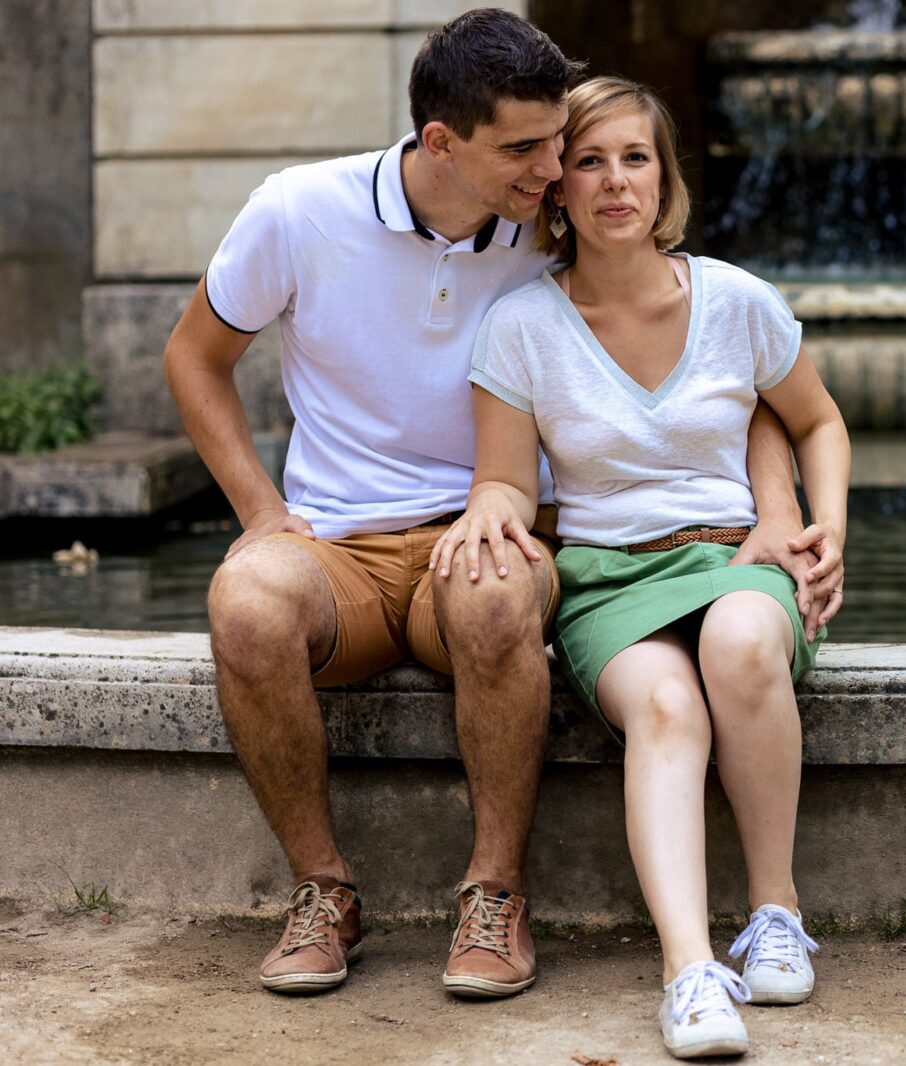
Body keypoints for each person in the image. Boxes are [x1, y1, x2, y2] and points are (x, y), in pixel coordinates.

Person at [162, 10, 836, 999]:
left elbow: (736, 370)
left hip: (489, 530)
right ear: (442, 143)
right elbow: (194, 355)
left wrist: (774, 500)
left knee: (491, 591)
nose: (556, 167)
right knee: (246, 599)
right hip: (337, 547)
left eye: (559, 141)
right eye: (527, 148)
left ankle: (494, 891)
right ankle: (320, 889)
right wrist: (262, 512)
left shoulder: (555, 225)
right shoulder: (298, 211)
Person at [429, 76, 850, 1058]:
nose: (615, 181)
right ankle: (689, 971)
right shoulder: (522, 326)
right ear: (557, 190)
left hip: (734, 556)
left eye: (635, 158)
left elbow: (817, 419)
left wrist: (823, 526)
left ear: (663, 180)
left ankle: (775, 913)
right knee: (665, 708)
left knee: (745, 643)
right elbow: (501, 477)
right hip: (607, 582)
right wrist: (482, 520)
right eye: (589, 160)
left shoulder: (738, 301)